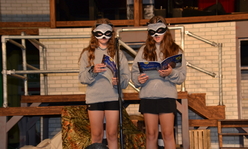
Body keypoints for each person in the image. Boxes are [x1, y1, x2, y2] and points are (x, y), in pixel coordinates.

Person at [131, 16, 187, 149]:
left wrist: (170, 73)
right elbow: (134, 73)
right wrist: (138, 80)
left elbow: (181, 77)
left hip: (166, 97)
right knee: (151, 134)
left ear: (166, 30)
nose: (156, 35)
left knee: (168, 134)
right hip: (148, 96)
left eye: (160, 31)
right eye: (152, 32)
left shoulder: (176, 50)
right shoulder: (143, 51)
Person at [78, 18, 130, 149]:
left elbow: (126, 78)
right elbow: (82, 78)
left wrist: (119, 81)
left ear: (111, 33)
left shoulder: (118, 53)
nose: (103, 37)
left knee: (112, 134)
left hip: (113, 96)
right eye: (99, 33)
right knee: (96, 135)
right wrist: (93, 70)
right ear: (94, 34)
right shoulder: (87, 53)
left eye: (107, 33)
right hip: (95, 97)